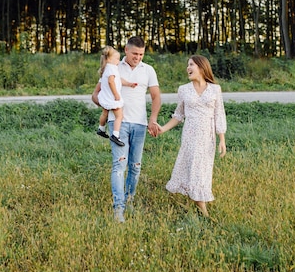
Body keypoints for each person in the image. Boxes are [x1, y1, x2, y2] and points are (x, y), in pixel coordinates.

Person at [92, 36, 161, 223]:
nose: (138, 57)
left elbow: (156, 97)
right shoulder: (113, 67)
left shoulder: (148, 70)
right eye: (135, 54)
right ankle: (119, 208)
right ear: (126, 50)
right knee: (119, 166)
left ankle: (130, 200)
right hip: (119, 123)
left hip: (139, 124)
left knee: (135, 167)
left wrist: (152, 119)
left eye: (141, 54)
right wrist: (107, 105)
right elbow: (95, 94)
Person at [156, 55, 227, 217]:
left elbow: (219, 114)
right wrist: (163, 129)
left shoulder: (215, 89)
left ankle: (196, 199)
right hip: (190, 134)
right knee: (193, 167)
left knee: (202, 169)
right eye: (187, 65)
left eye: (191, 65)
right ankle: (203, 210)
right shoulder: (184, 89)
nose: (188, 68)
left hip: (207, 136)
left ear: (202, 68)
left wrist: (222, 139)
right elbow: (179, 115)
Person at [96, 45, 137, 147]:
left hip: (105, 96)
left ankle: (101, 129)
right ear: (109, 59)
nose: (118, 61)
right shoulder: (112, 68)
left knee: (105, 113)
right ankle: (115, 135)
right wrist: (116, 94)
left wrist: (128, 83)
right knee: (119, 116)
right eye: (117, 59)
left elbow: (118, 80)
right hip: (111, 97)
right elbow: (111, 82)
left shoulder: (106, 68)